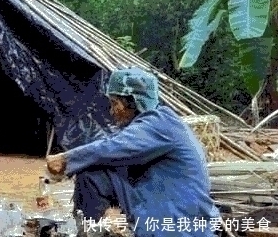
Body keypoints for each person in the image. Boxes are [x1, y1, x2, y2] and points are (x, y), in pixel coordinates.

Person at [46, 67, 220, 237]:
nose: (111, 111)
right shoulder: (158, 122)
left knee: (91, 173)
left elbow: (113, 147)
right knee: (95, 174)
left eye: (115, 103)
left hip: (177, 221)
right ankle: (96, 230)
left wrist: (66, 159)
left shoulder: (158, 123)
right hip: (166, 204)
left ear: (133, 102)